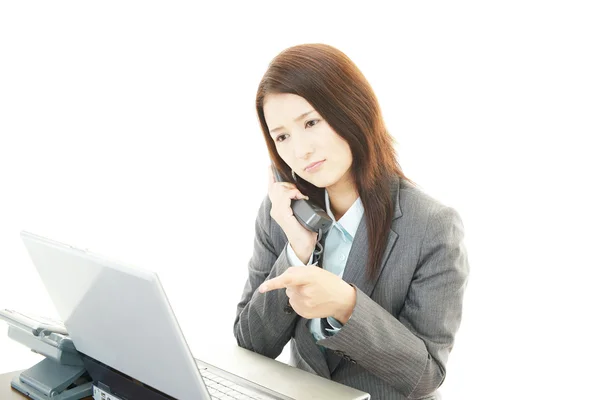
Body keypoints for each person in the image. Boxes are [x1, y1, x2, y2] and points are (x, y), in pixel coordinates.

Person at [233, 43, 469, 400]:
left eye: (311, 122)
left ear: (352, 110)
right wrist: (297, 251)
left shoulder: (432, 227)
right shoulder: (281, 215)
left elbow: (427, 375)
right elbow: (250, 344)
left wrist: (346, 306)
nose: (300, 150)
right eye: (282, 136)